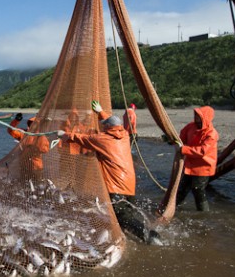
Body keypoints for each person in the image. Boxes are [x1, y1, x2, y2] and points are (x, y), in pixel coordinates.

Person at [57, 100, 160, 244]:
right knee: (128, 212)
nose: (102, 126)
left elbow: (82, 139)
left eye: (104, 125)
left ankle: (149, 237)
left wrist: (64, 135)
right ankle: (139, 234)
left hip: (116, 185)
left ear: (108, 127)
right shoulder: (123, 134)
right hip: (129, 183)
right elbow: (112, 124)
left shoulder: (102, 139)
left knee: (121, 215)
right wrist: (100, 112)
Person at [176, 106, 219, 211]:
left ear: (205, 117)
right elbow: (182, 136)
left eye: (198, 115)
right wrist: (173, 140)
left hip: (203, 167)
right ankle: (174, 208)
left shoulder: (211, 134)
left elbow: (203, 151)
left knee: (198, 189)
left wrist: (183, 149)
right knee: (182, 188)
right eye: (195, 115)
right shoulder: (191, 126)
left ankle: (203, 213)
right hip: (190, 165)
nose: (195, 117)